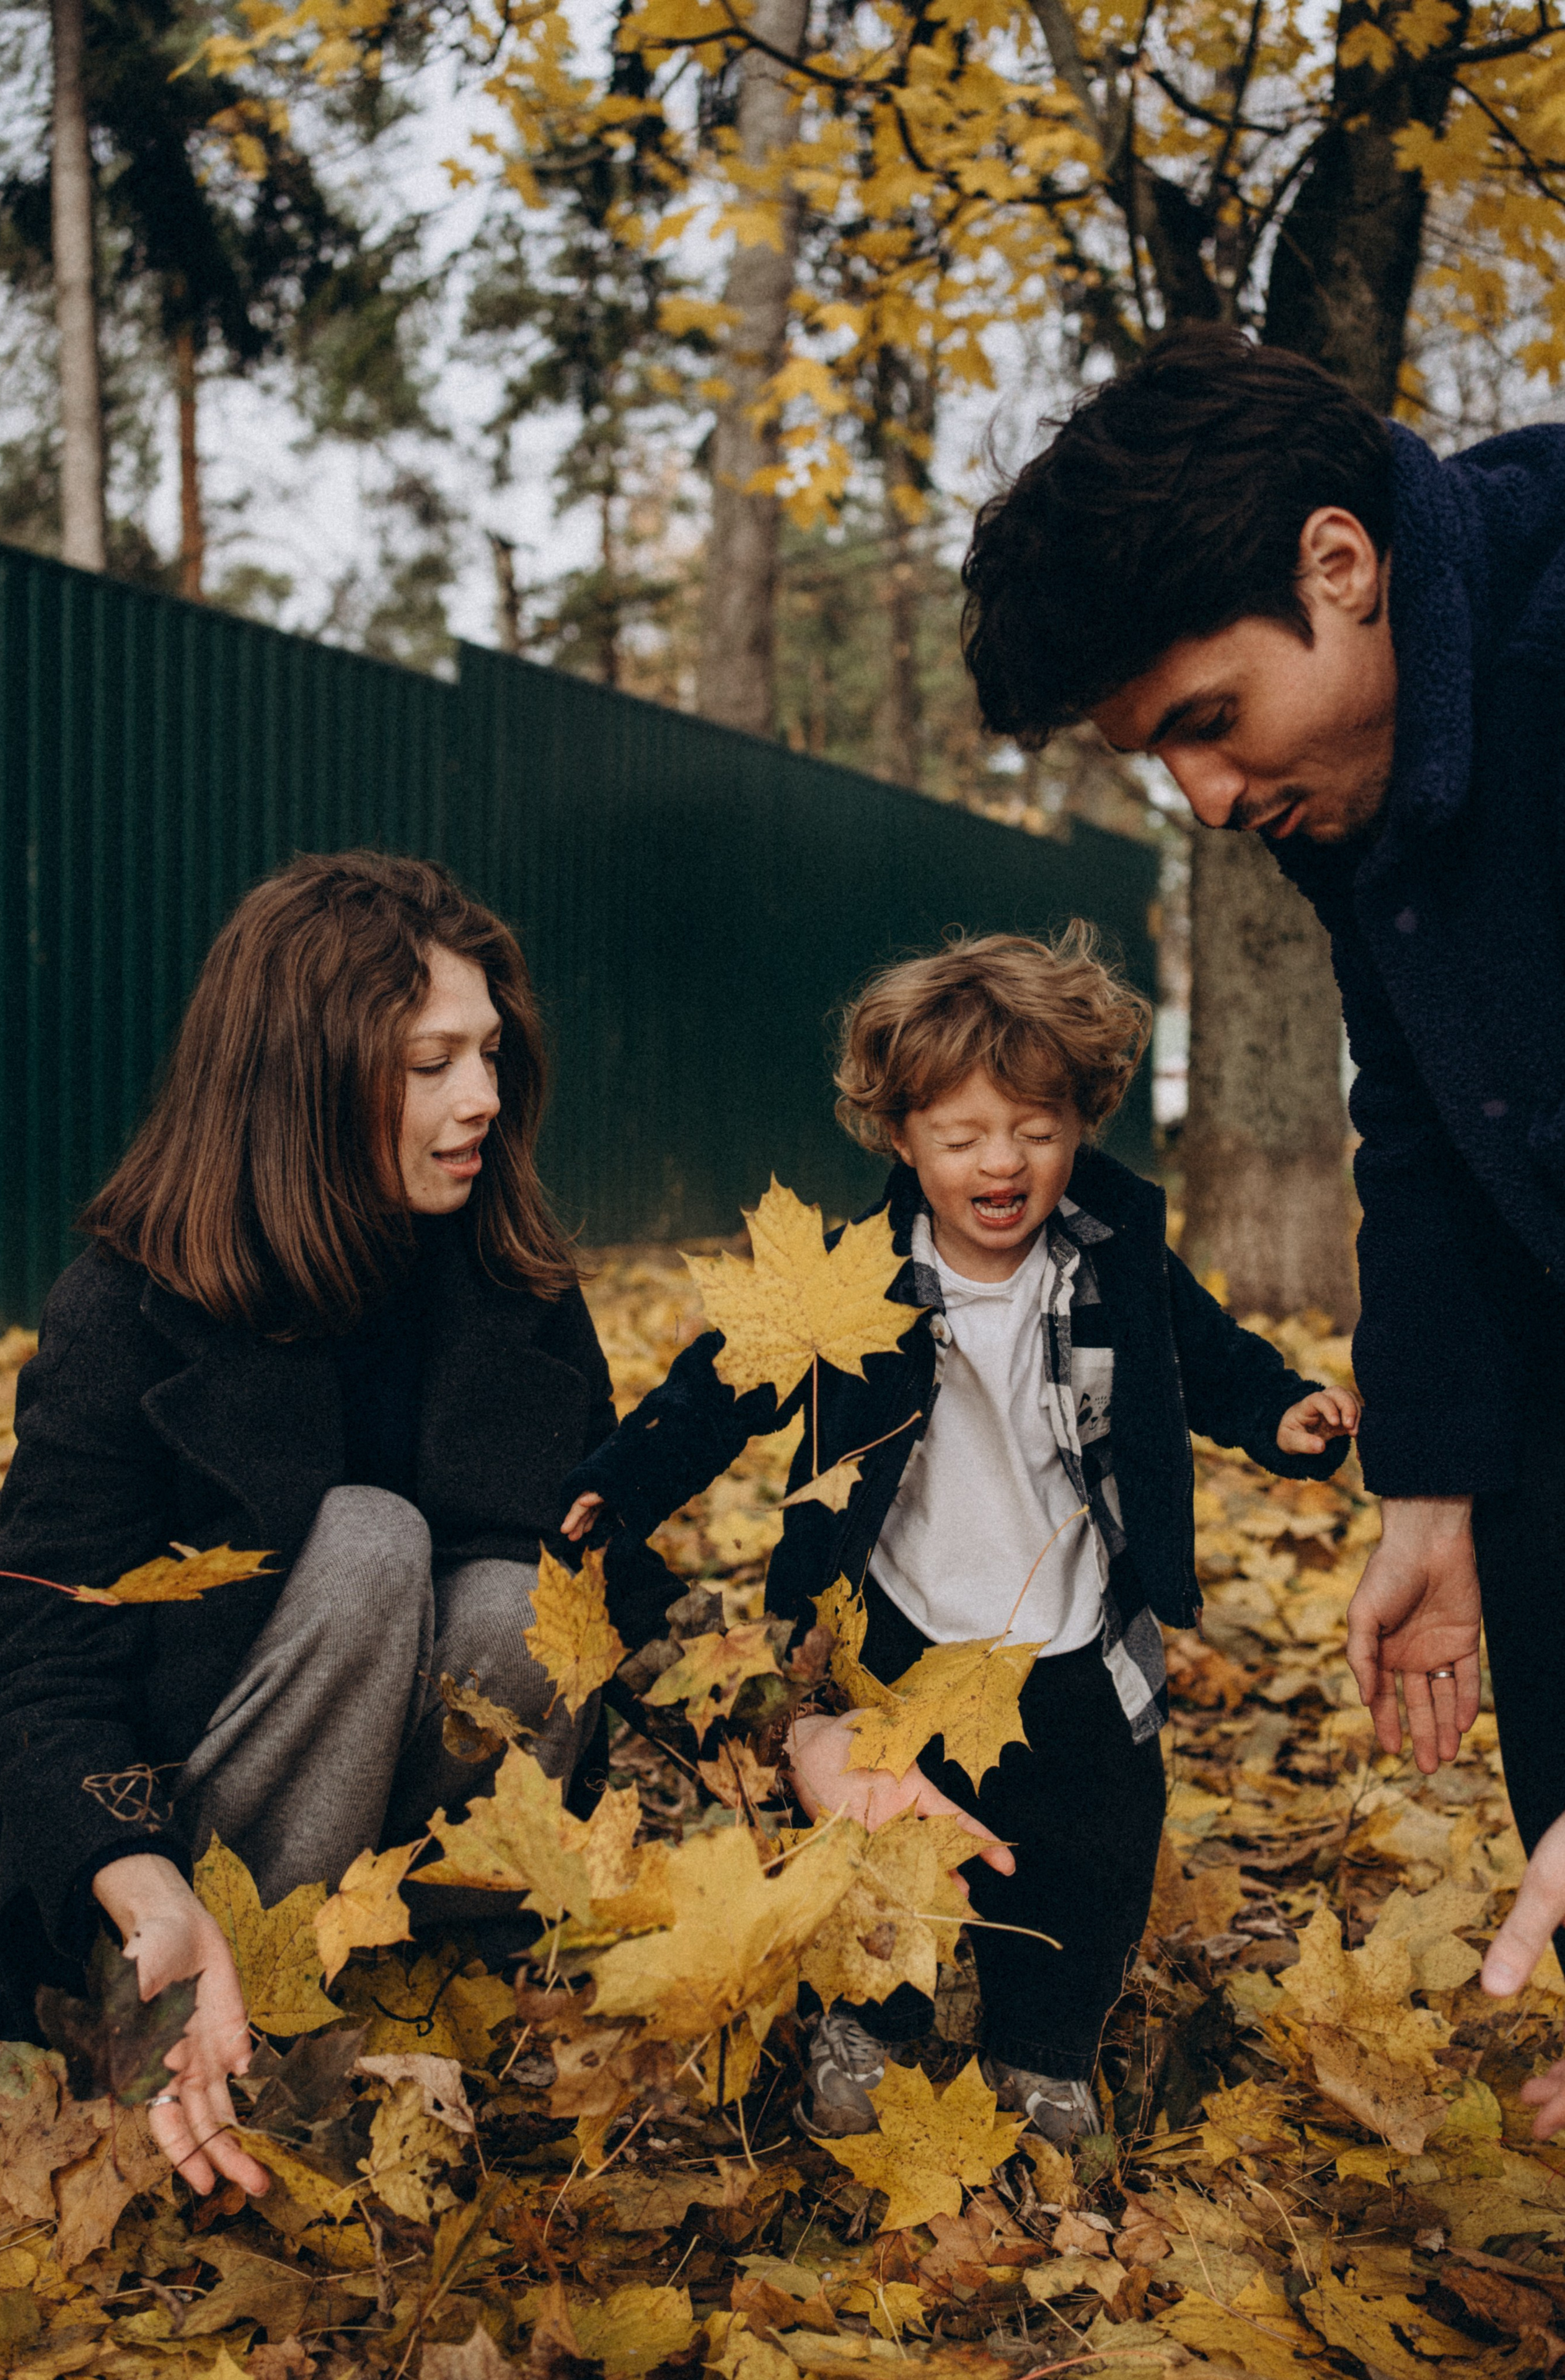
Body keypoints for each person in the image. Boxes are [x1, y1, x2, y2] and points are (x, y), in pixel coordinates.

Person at [957, 327, 1565, 2063]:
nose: (1209, 801)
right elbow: (1433, 1125)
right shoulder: (1353, 807)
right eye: (1164, 756)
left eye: (1211, 723)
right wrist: (1432, 1493)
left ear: (1340, 562)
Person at [558, 930, 1359, 2144]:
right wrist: (620, 1484)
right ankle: (867, 2029)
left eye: (1035, 1133)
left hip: (1070, 1622)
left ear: (1079, 1124)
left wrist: (1277, 1413)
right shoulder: (846, 1279)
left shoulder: (1109, 1260)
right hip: (896, 1624)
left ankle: (1043, 2051)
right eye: (962, 1136)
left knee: (1089, 1848)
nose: (1002, 1163)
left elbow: (1208, 1358)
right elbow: (716, 1388)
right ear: (898, 1135)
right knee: (884, 1840)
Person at [0, 851, 664, 2197]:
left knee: (522, 1600)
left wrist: (794, 1729)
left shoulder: (514, 1283)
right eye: (430, 1064)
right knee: (368, 1545)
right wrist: (135, 1879)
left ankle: (407, 1993)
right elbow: (29, 1639)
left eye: (489, 1054)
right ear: (303, 1076)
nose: (482, 1098)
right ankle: (209, 2041)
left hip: (407, 1862)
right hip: (183, 1853)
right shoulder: (126, 1308)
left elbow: (612, 1583)